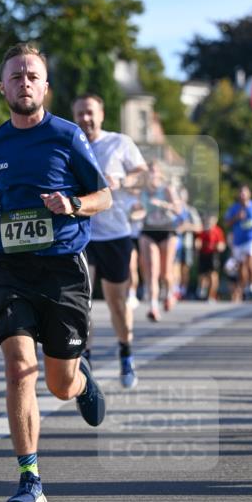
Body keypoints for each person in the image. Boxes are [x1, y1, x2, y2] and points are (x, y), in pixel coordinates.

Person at [0, 43, 112, 502]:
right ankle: (30, 477)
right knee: (17, 368)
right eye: (16, 76)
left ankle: (80, 381)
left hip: (63, 269)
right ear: (2, 87)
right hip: (11, 268)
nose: (24, 83)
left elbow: (104, 196)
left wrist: (73, 204)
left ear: (45, 87)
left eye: (32, 76)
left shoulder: (67, 136)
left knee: (58, 384)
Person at [72, 94, 147, 389]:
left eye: (90, 112)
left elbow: (143, 177)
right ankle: (86, 360)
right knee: (82, 300)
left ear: (101, 114)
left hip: (116, 234)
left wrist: (122, 182)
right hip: (82, 233)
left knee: (117, 302)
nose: (85, 118)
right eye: (80, 113)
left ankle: (125, 352)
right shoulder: (70, 143)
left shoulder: (119, 143)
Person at [139, 162, 183, 321]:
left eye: (154, 171)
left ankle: (170, 293)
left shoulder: (166, 190)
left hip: (167, 231)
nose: (152, 174)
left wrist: (163, 204)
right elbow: (136, 209)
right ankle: (153, 306)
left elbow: (178, 210)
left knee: (166, 272)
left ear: (160, 174)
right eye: (149, 171)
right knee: (152, 271)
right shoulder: (142, 191)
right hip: (148, 230)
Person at [223, 185, 252, 302]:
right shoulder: (234, 208)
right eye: (241, 193)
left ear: (249, 194)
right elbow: (226, 223)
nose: (242, 195)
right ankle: (244, 289)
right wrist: (236, 217)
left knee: (250, 262)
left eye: (245, 192)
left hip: (251, 239)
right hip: (238, 241)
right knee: (242, 267)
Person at [195, 215, 226, 302]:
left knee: (213, 275)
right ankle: (202, 290)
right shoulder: (202, 230)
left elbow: (222, 244)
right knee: (202, 275)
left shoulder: (217, 231)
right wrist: (197, 244)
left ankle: (211, 296)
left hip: (213, 255)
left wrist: (219, 246)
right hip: (203, 254)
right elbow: (198, 241)